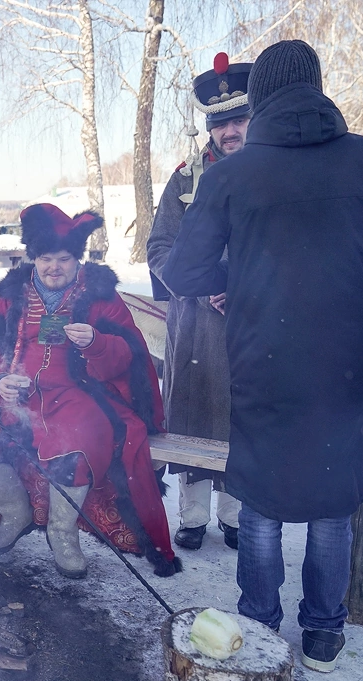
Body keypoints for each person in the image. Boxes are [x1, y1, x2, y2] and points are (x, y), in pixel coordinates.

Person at [163, 40, 363, 673]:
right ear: (318, 86)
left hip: (263, 360)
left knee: (262, 501)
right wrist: (358, 262)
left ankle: (260, 626)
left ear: (266, 98)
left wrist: (246, 268)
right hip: (349, 365)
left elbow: (184, 270)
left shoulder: (229, 176)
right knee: (333, 504)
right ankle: (324, 637)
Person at [0, 203, 181, 579]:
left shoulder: (100, 296)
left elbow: (129, 358)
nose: (53, 267)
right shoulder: (15, 294)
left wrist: (97, 343)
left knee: (80, 443)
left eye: (64, 259)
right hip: (13, 393)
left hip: (77, 393)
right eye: (44, 259)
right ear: (33, 259)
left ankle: (62, 530)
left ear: (78, 260)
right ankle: (14, 514)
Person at [147, 53, 251, 552]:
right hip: (191, 324)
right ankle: (191, 516)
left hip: (249, 324)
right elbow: (159, 247)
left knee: (238, 418)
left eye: (238, 119)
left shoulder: (272, 172)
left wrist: (247, 286)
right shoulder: (185, 178)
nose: (229, 131)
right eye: (220, 122)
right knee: (189, 414)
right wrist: (195, 282)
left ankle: (235, 516)